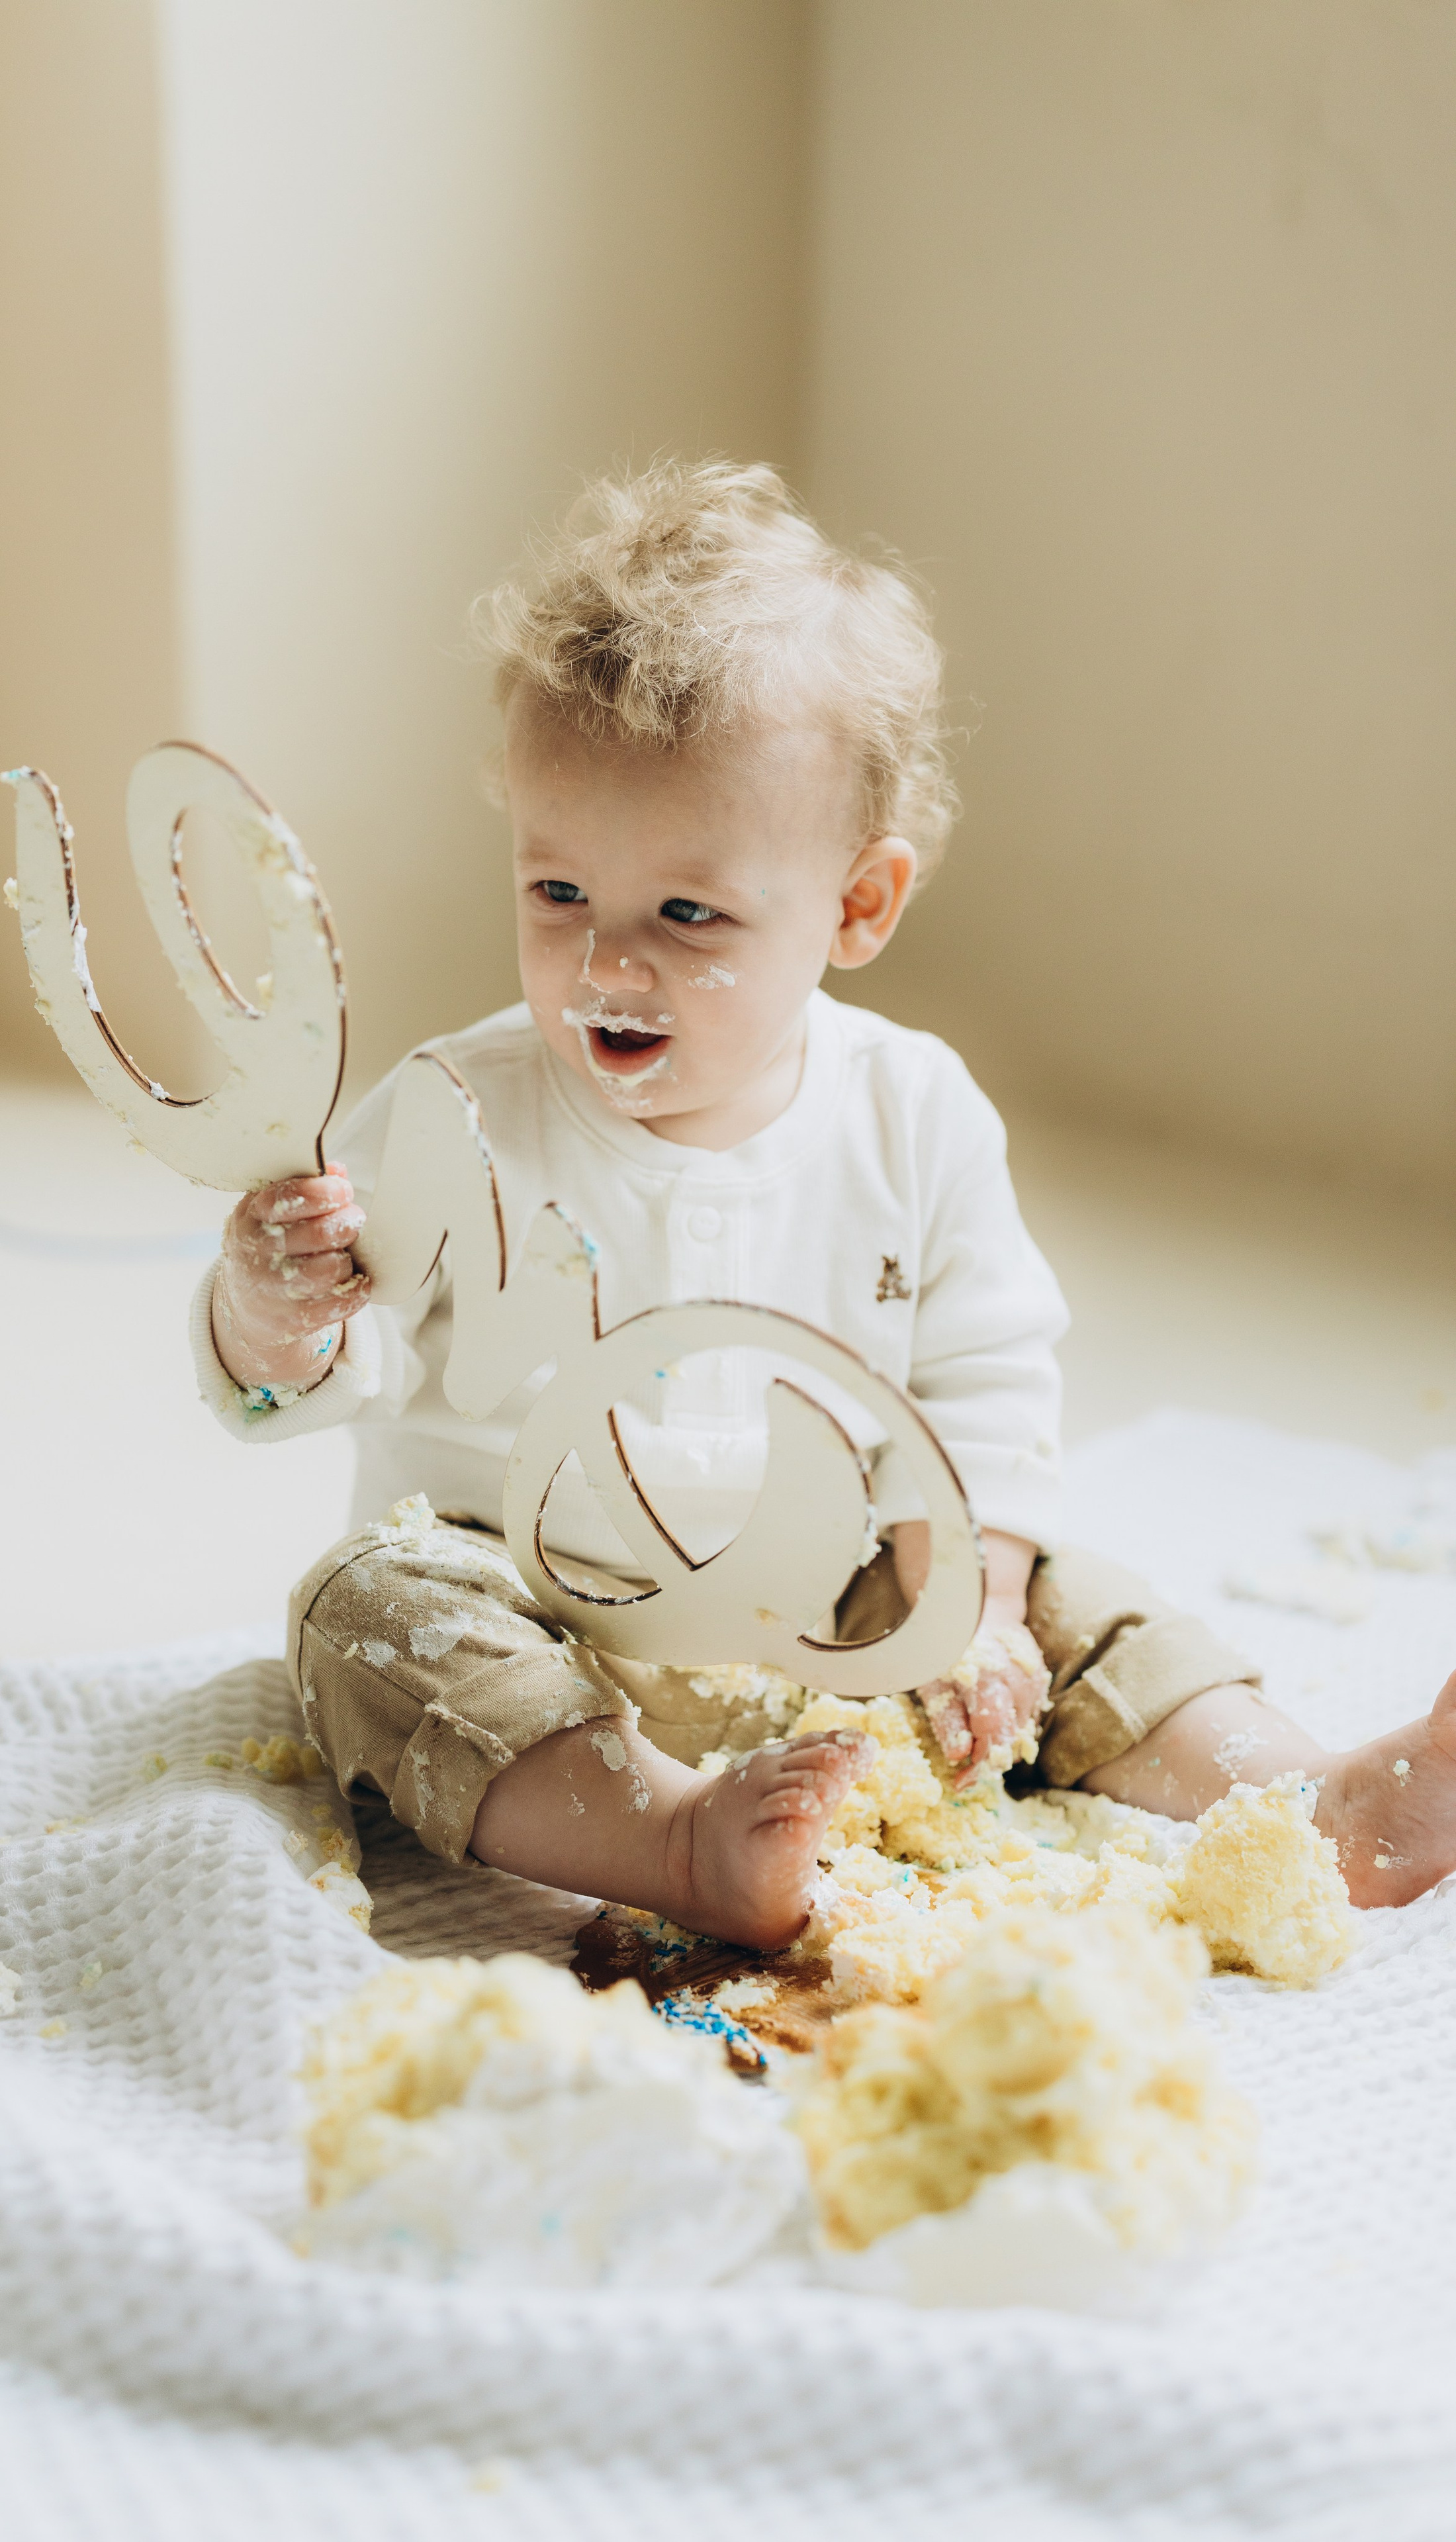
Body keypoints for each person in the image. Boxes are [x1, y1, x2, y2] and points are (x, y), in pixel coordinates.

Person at [193, 459, 1456, 1950]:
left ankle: (1298, 1803)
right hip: (530, 1592)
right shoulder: (450, 1112)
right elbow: (320, 1381)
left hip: (841, 1591)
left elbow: (987, 1381)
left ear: (855, 908)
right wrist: (270, 1314)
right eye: (554, 894)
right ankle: (665, 1835)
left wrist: (972, 1599)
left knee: (1069, 1593)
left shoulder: (909, 1111)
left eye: (685, 914)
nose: (605, 964)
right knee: (360, 1615)